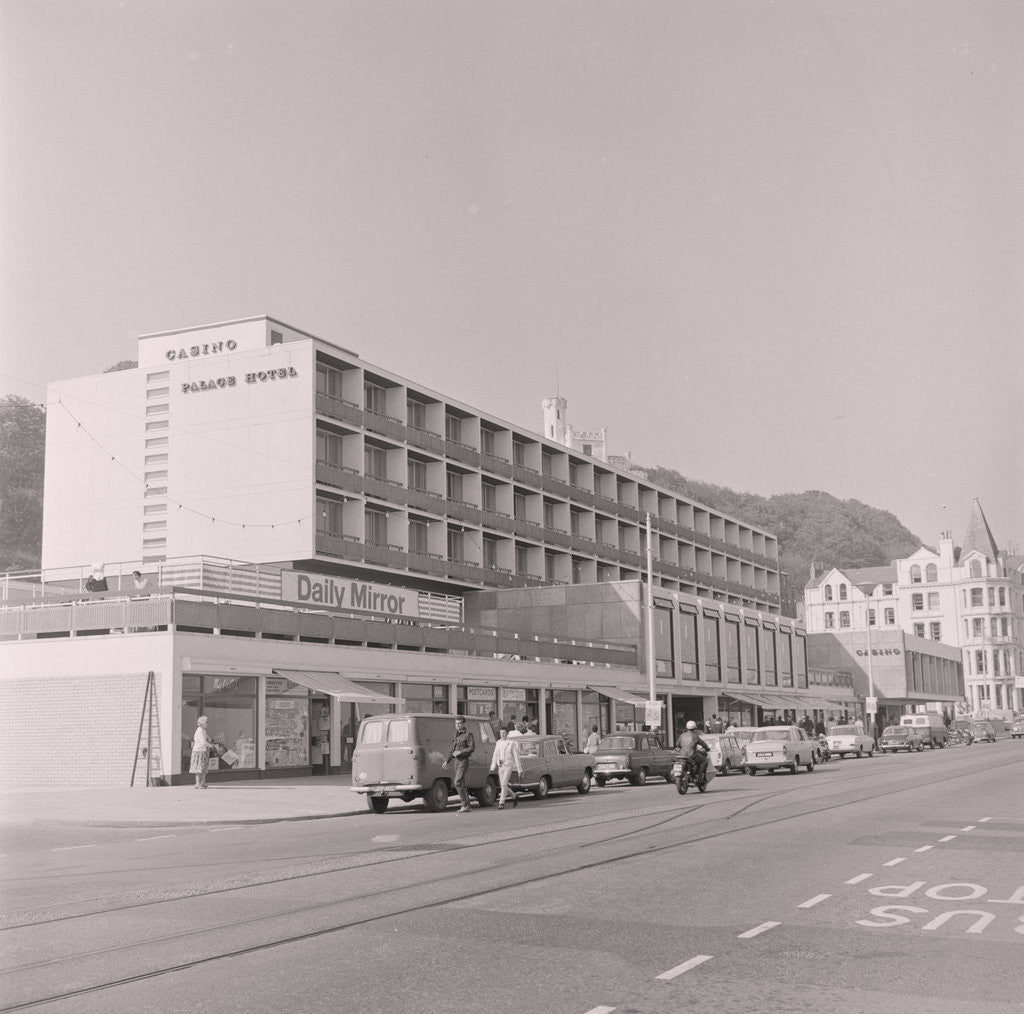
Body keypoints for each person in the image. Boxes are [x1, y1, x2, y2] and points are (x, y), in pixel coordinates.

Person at [441, 716, 476, 813]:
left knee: (457, 782)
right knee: (462, 784)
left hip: (463, 761)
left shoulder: (468, 734)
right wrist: (447, 761)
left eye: (459, 723)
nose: (457, 725)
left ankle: (464, 805)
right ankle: (467, 806)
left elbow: (471, 748)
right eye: (456, 723)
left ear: (463, 724)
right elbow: (452, 749)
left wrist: (460, 752)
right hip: (456, 762)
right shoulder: (455, 734)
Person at [490, 726, 523, 809]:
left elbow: (516, 756)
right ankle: (514, 796)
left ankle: (501, 803)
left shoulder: (511, 743)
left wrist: (519, 769)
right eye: (501, 733)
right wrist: (493, 766)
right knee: (503, 785)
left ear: (507, 733)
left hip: (508, 765)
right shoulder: (498, 743)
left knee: (504, 783)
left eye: (504, 733)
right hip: (500, 766)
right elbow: (495, 755)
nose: (502, 734)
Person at [189, 715, 214, 789]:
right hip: (199, 751)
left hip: (204, 751)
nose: (207, 724)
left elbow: (206, 737)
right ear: (202, 723)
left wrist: (208, 738)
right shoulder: (199, 731)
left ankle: (203, 783)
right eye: (206, 722)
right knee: (199, 768)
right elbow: (203, 741)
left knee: (204, 768)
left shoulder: (203, 731)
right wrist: (211, 746)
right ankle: (197, 783)